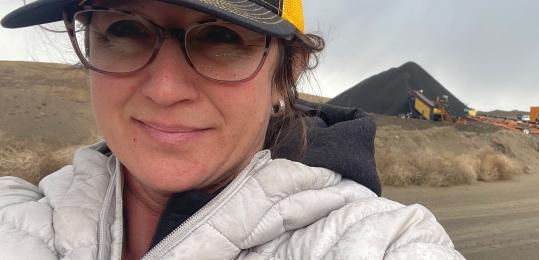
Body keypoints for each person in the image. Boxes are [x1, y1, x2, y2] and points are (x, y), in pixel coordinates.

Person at [0, 0, 464, 259]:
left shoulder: (380, 242)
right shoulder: (13, 216)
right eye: (125, 29)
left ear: (289, 70)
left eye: (221, 37)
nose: (164, 90)